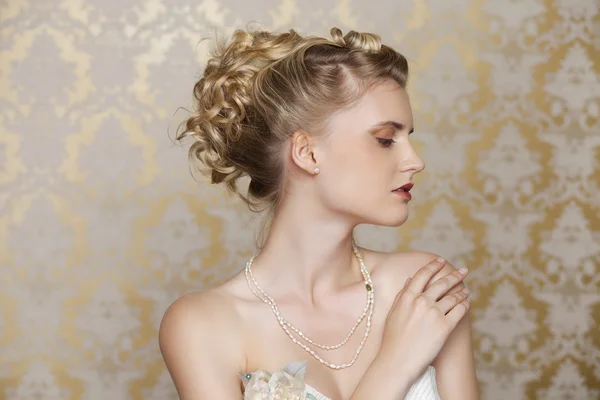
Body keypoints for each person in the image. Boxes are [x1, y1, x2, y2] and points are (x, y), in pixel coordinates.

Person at [159, 26, 479, 400]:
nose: (415, 161)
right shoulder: (203, 325)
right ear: (308, 153)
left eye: (409, 138)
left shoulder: (424, 287)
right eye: (385, 140)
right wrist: (396, 364)